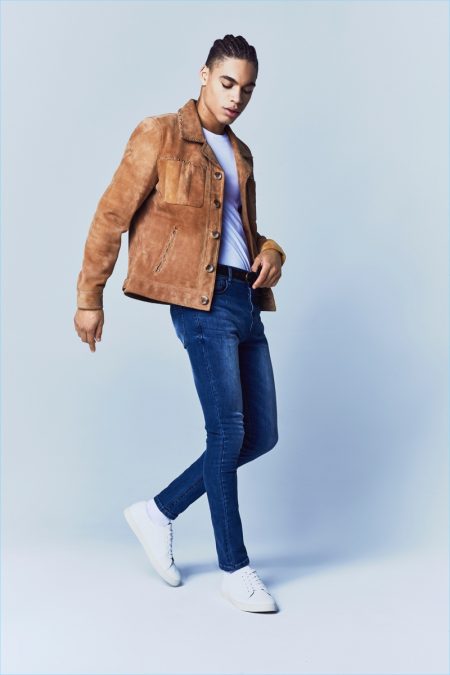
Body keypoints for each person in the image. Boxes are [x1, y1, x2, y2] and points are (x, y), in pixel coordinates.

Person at [74, 34, 286, 613]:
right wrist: (90, 296)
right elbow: (111, 216)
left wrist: (274, 253)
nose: (236, 97)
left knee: (261, 435)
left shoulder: (241, 153)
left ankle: (158, 511)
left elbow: (243, 232)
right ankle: (234, 569)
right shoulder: (160, 134)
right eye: (227, 83)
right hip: (199, 300)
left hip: (246, 300)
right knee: (227, 433)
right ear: (203, 75)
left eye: (247, 89)